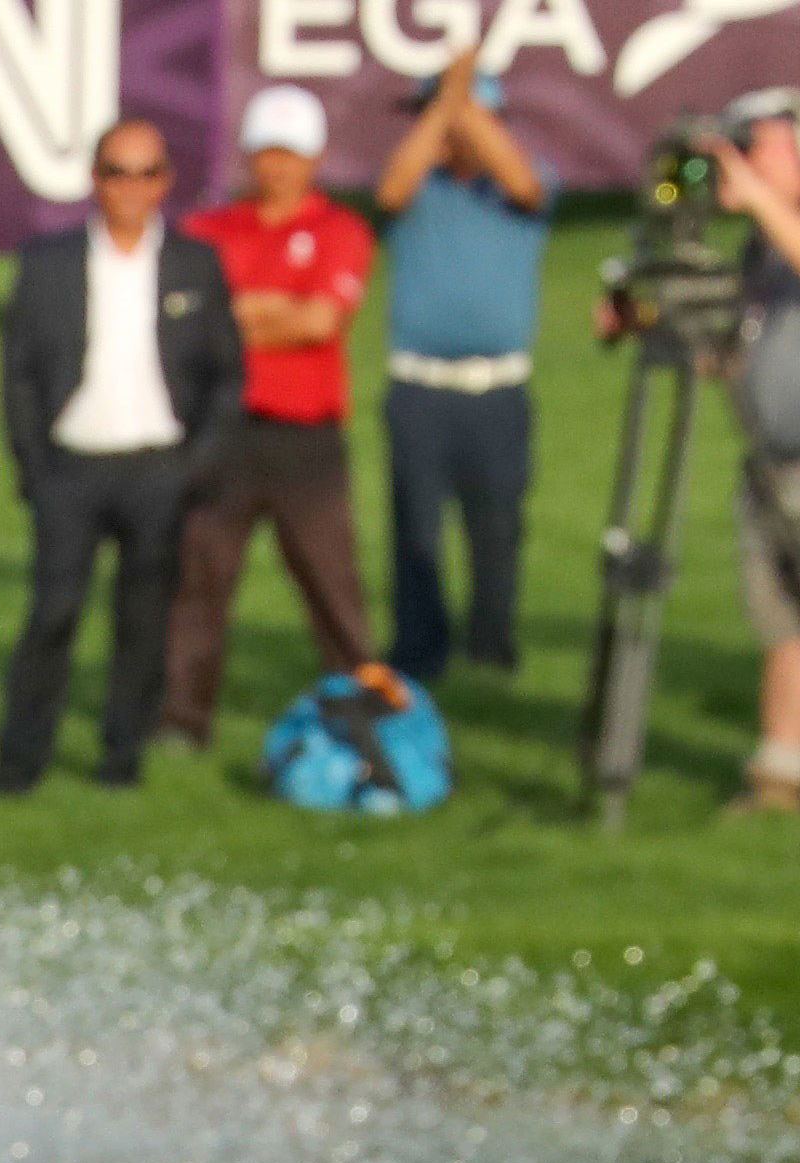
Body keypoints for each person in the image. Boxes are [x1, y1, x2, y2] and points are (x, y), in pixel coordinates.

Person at [600, 85, 800, 817]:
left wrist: (760, 202)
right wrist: (640, 313)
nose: (740, 163)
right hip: (775, 456)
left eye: (757, 145)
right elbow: (722, 349)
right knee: (784, 616)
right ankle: (778, 769)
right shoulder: (756, 246)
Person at [0, 118, 242, 792]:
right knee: (53, 614)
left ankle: (119, 759)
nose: (130, 187)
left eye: (144, 172)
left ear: (165, 182)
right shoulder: (48, 262)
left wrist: (196, 464)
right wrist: (33, 469)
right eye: (115, 171)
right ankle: (20, 760)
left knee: (143, 622)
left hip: (157, 469)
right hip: (71, 467)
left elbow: (225, 374)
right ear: (93, 179)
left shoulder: (194, 264)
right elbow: (16, 373)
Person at [165, 83, 381, 748]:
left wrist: (235, 312)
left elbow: (318, 321)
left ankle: (363, 717)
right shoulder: (207, 230)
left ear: (313, 158)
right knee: (198, 581)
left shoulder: (339, 230)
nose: (277, 166)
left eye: (290, 153)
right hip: (220, 432)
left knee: (330, 584)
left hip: (303, 440)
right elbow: (181, 320)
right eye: (265, 152)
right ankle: (179, 721)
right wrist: (265, 310)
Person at [371, 64, 551, 683]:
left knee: (497, 529)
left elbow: (521, 179)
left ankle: (491, 649)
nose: (436, 133)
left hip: (496, 392)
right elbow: (391, 190)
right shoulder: (418, 191)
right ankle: (420, 654)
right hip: (419, 389)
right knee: (416, 531)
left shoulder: (521, 188)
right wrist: (447, 102)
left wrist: (458, 103)